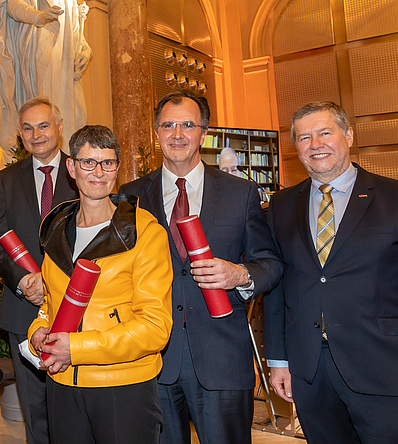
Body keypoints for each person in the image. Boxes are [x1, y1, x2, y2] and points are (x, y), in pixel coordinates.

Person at [265, 101, 398, 442]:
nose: (315, 144)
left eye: (324, 133)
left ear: (348, 135)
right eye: (304, 138)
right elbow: (279, 287)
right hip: (311, 376)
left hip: (388, 372)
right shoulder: (281, 205)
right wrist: (278, 359)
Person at [119, 90, 282, 444]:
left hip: (221, 359)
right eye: (169, 125)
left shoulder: (241, 193)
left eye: (188, 125)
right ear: (157, 133)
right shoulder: (130, 196)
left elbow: (270, 263)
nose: (178, 134)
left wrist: (240, 274)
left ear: (203, 132)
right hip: (152, 360)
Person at [28, 124, 173, 443]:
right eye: (88, 162)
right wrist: (38, 330)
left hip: (123, 386)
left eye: (107, 162)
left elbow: (155, 327)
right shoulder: (55, 227)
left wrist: (76, 348)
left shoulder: (144, 232)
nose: (98, 172)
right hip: (63, 385)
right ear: (71, 167)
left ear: (117, 169)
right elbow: (49, 305)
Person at [0, 97, 79, 444]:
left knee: (73, 409)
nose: (36, 134)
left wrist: (54, 280)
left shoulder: (81, 169)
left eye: (43, 125)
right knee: (36, 415)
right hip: (24, 309)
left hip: (76, 306)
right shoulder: (8, 178)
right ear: (21, 135)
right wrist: (22, 280)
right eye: (27, 128)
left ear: (59, 126)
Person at [0, 0, 92, 166]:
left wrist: (84, 48)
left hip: (64, 57)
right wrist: (38, 16)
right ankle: (36, 169)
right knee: (39, 108)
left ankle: (66, 170)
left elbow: (74, 27)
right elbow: (13, 5)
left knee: (68, 112)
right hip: (36, 43)